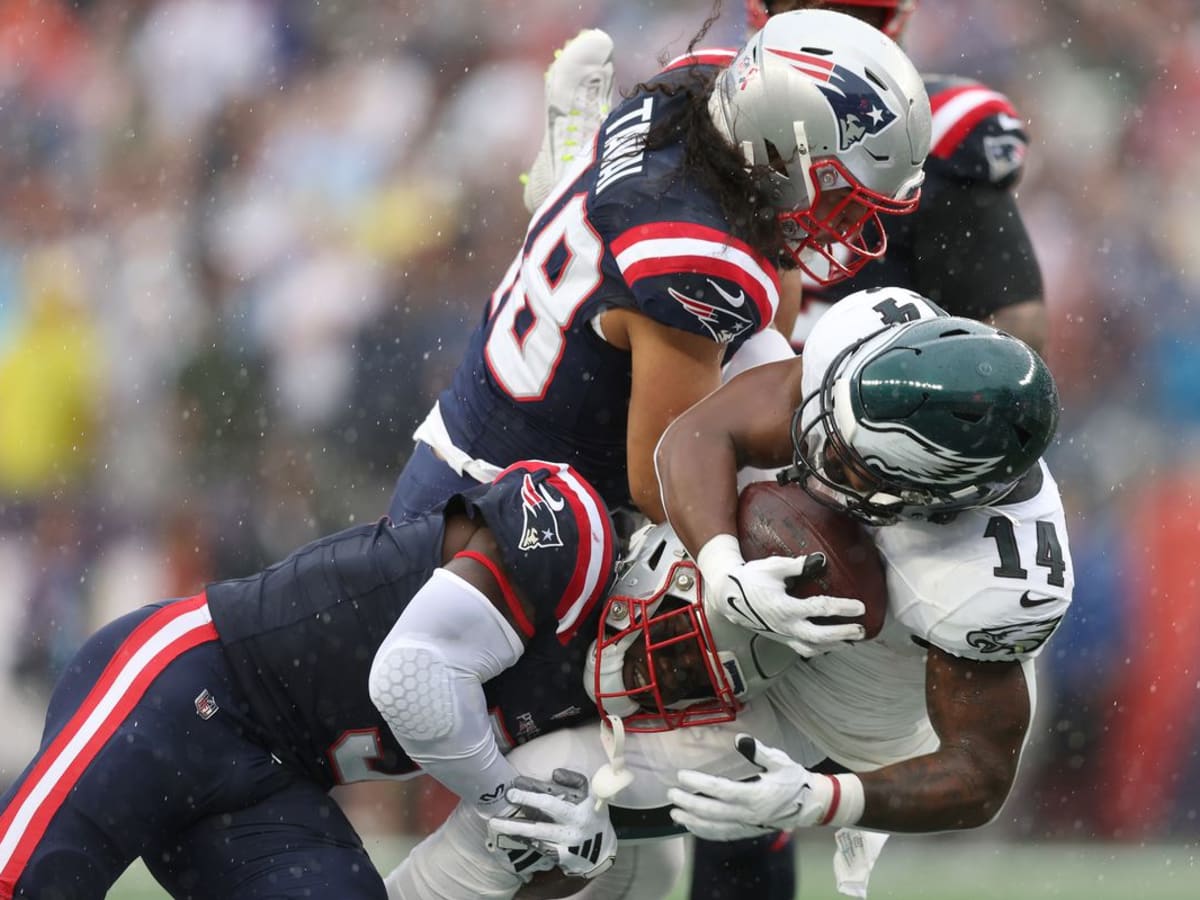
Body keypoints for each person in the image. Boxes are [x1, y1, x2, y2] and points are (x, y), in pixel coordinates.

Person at [388, 287, 1074, 900]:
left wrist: (821, 799)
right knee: (596, 837)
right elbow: (699, 431)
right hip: (762, 589)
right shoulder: (871, 352)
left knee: (543, 793)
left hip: (822, 720)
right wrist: (722, 565)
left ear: (942, 497)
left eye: (851, 464)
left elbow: (980, 772)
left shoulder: (986, 585)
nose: (817, 451)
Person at [0, 461, 716, 899]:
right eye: (676, 630)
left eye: (690, 667)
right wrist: (510, 799)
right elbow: (412, 679)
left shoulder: (600, 721)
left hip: (272, 783)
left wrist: (563, 856)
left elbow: (514, 870)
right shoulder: (572, 536)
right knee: (26, 883)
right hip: (187, 687)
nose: (668, 661)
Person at [388, 9, 932, 529]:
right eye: (847, 195)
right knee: (771, 508)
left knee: (768, 361)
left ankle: (576, 193)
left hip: (529, 407)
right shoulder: (697, 262)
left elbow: (768, 319)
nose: (857, 219)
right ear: (782, 154)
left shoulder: (714, 92)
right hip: (489, 504)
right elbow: (664, 484)